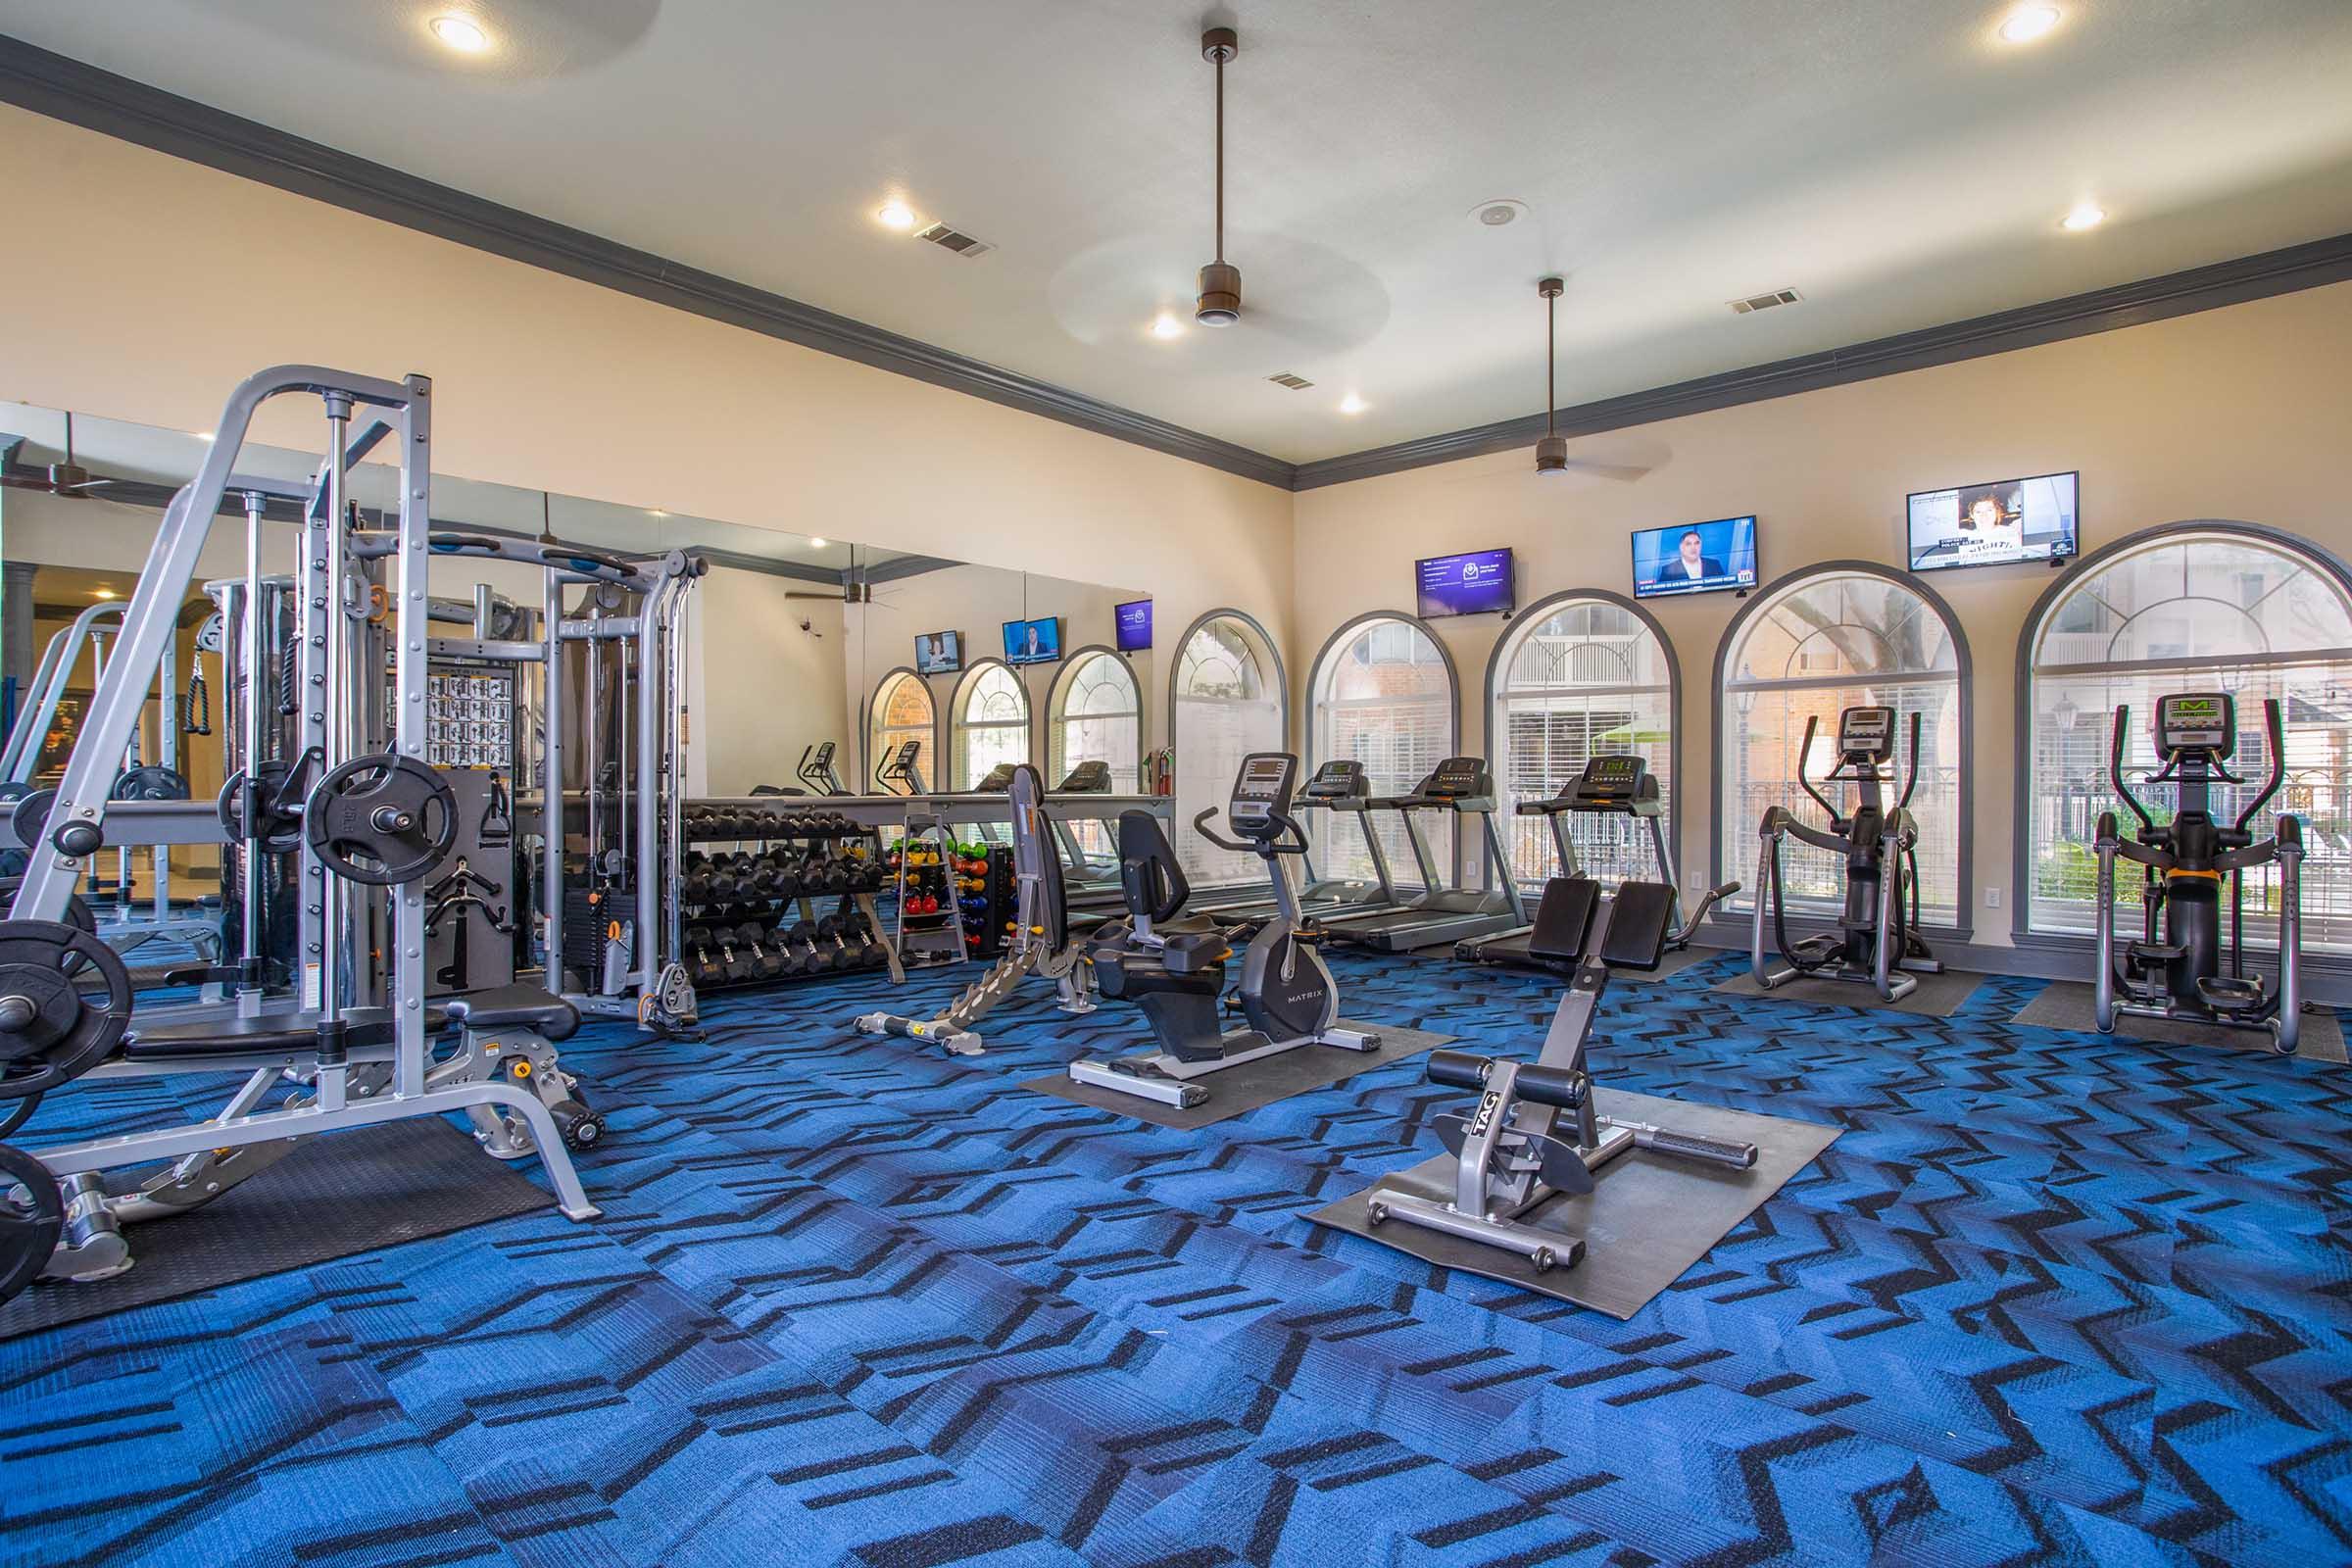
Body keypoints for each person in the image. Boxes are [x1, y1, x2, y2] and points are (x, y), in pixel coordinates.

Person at [1660, 529, 1725, 583]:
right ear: (1681, 547)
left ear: (1701, 546)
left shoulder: (1714, 564)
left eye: (1697, 543)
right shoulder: (1668, 569)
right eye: (1688, 544)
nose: (1693, 548)